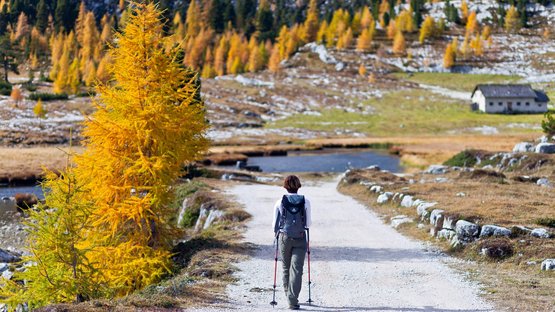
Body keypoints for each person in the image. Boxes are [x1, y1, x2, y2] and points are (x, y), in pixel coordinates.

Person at [272, 175, 312, 310]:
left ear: (285, 186)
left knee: (285, 268)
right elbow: (308, 224)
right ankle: (292, 300)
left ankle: (289, 296)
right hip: (300, 238)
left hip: (285, 237)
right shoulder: (305, 201)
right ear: (298, 186)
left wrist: (277, 233)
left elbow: (274, 225)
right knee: (297, 270)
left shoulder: (279, 202)